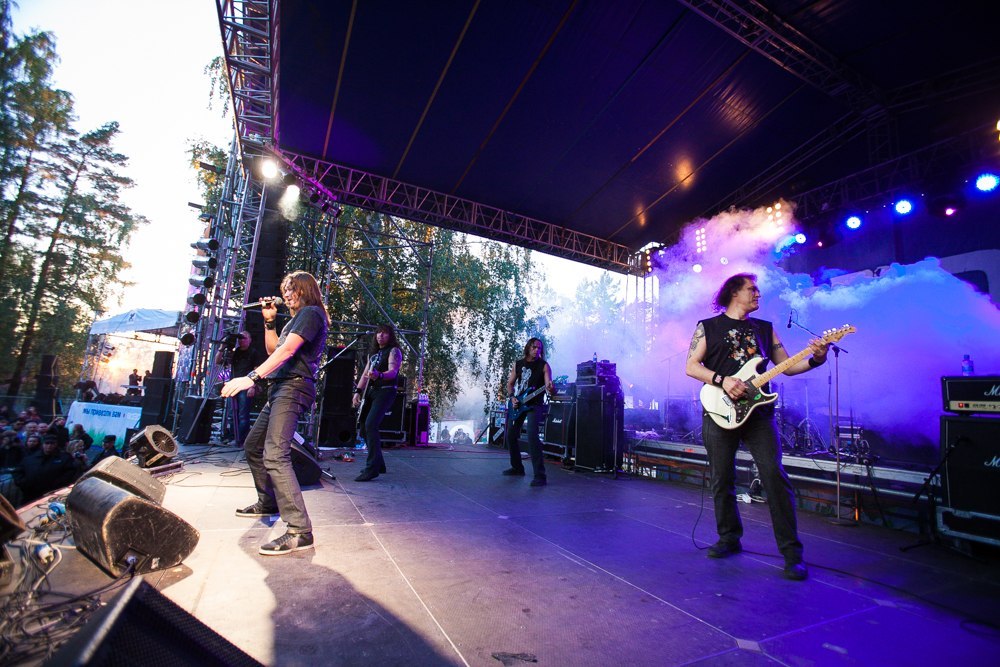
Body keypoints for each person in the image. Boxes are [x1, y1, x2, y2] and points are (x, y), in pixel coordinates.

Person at [685, 273, 829, 581]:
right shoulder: (707, 327)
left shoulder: (764, 328)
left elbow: (788, 366)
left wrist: (817, 359)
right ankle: (729, 537)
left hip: (759, 414)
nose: (758, 294)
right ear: (734, 292)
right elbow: (691, 366)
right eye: (752, 289)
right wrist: (722, 380)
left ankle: (792, 553)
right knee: (722, 478)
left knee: (774, 476)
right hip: (720, 409)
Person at [221, 271, 329, 556]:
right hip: (280, 388)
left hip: (293, 387)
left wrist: (251, 377)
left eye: (292, 289)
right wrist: (269, 322)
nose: (286, 294)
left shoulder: (311, 313)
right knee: (253, 446)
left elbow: (287, 352)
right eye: (285, 290)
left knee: (275, 454)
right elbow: (274, 350)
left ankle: (300, 530)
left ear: (305, 290)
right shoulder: (296, 320)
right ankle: (268, 502)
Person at [351, 325, 402, 482]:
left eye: (384, 333)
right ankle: (379, 464)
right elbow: (365, 375)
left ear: (390, 336)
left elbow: (393, 372)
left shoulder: (394, 351)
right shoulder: (373, 354)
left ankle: (372, 468)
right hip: (371, 391)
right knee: (364, 428)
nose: (380, 335)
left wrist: (379, 375)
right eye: (378, 333)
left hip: (385, 390)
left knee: (371, 424)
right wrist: (357, 392)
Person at [503, 337, 555, 486]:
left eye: (539, 348)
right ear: (528, 348)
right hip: (519, 403)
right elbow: (510, 384)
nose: (536, 350)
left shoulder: (544, 366)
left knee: (532, 436)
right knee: (511, 435)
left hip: (535, 405)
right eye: (534, 347)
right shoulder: (518, 364)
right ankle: (517, 467)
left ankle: (540, 476)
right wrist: (512, 397)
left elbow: (549, 387)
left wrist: (550, 388)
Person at [219, 331, 258, 446]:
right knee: (232, 414)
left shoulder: (253, 352)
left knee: (243, 414)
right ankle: (233, 436)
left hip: (245, 386)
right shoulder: (235, 353)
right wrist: (222, 347)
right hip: (234, 385)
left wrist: (253, 386)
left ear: (250, 340)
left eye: (244, 338)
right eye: (240, 338)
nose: (241, 340)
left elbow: (256, 371)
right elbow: (218, 361)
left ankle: (241, 439)